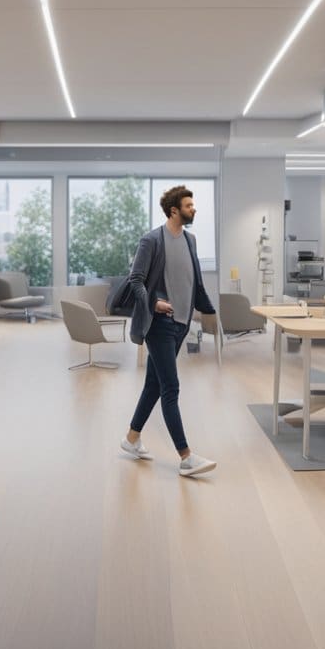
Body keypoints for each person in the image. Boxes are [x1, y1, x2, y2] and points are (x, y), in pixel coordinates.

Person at [119, 185, 218, 476]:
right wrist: (154, 302)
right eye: (188, 205)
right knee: (170, 388)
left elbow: (195, 281)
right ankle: (186, 457)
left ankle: (131, 439)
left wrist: (208, 312)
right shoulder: (151, 240)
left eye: (193, 205)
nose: (194, 209)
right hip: (159, 324)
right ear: (174, 210)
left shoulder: (191, 240)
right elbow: (135, 281)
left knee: (153, 384)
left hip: (181, 322)